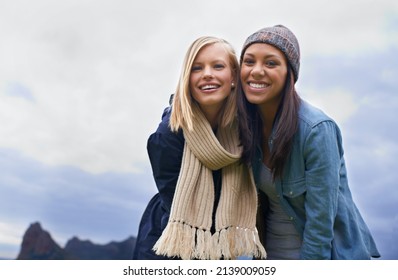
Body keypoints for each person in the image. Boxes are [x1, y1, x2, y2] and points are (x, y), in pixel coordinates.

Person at [237, 24, 380, 259]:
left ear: (289, 73)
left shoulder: (316, 130)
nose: (257, 71)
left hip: (322, 256)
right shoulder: (244, 126)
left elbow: (320, 228)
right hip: (269, 254)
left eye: (271, 63)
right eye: (249, 61)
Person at [132, 36, 266, 260]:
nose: (207, 74)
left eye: (218, 66)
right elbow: (176, 204)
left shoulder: (246, 128)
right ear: (187, 78)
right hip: (172, 241)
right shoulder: (168, 134)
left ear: (234, 77)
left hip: (220, 245)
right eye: (197, 68)